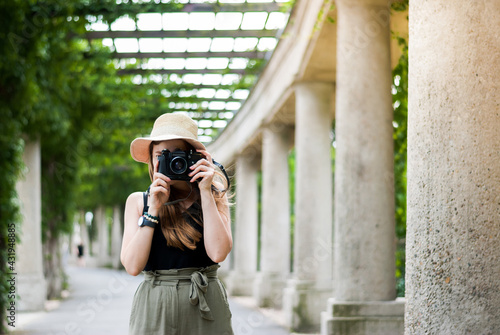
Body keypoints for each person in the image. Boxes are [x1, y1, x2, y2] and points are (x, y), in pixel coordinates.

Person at [121, 113, 233, 335]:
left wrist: (205, 192)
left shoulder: (214, 197)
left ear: (195, 157)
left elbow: (218, 253)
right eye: (161, 154)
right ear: (152, 161)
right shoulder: (138, 201)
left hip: (205, 302)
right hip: (155, 306)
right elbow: (132, 266)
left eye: (178, 155)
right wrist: (153, 208)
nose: (172, 161)